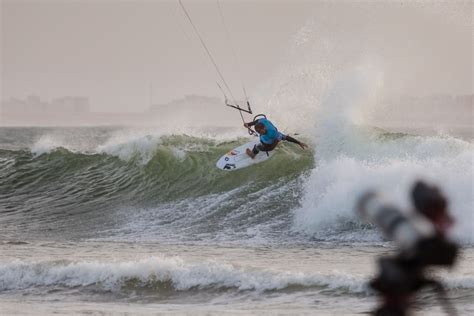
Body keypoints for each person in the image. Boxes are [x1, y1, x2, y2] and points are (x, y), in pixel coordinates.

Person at [243, 117, 308, 158]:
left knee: (260, 147)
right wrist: (248, 124)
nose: (260, 133)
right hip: (269, 136)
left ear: (264, 128)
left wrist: (299, 143)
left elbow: (285, 137)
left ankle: (253, 154)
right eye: (258, 131)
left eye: (260, 131)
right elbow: (256, 121)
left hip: (271, 143)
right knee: (262, 137)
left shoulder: (272, 133)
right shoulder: (262, 121)